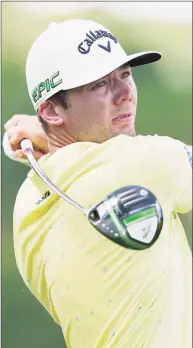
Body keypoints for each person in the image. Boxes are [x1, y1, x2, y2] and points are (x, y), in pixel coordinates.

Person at [4, 19, 192, 348]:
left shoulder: (26, 206)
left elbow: (77, 159)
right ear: (50, 111)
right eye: (99, 84)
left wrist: (47, 137)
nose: (125, 94)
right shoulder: (141, 164)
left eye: (125, 74)